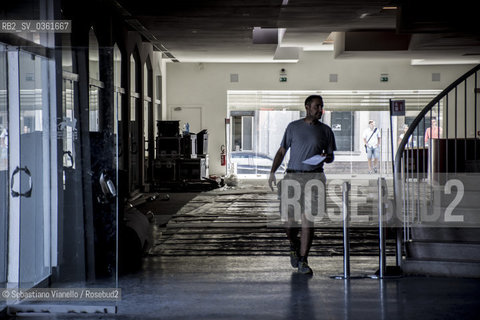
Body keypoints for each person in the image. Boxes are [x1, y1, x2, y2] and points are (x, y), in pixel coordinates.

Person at [268, 95, 336, 275]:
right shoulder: (293, 128)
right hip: (292, 177)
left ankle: (304, 260)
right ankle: (293, 243)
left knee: (308, 219)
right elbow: (282, 150)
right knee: (289, 222)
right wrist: (272, 172)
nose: (320, 110)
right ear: (307, 107)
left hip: (315, 178)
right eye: (316, 106)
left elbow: (330, 157)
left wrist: (326, 157)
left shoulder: (326, 131)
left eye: (321, 106)